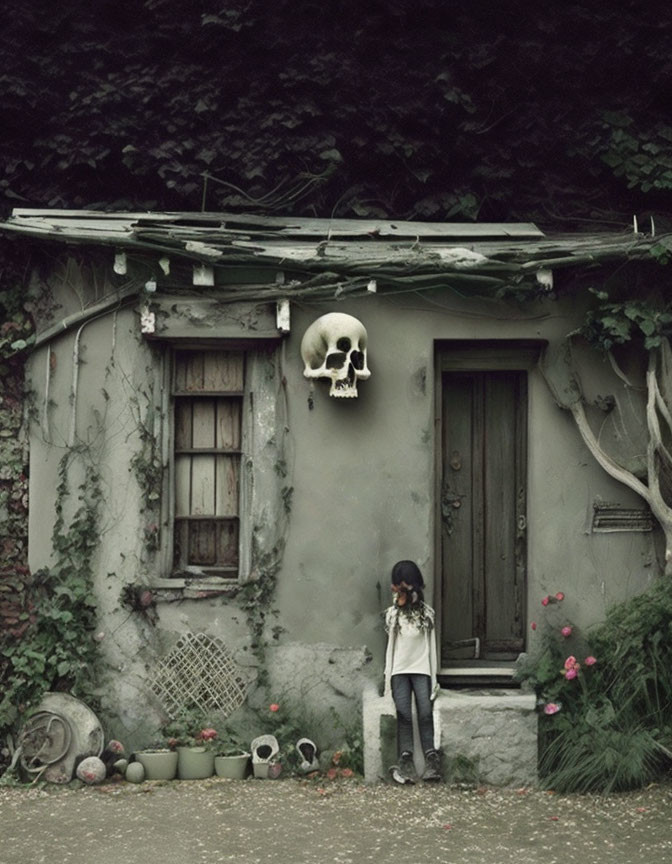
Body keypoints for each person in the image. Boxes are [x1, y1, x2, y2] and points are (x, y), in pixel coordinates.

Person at [383, 559, 441, 784]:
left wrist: (433, 677)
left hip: (421, 670)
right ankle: (405, 760)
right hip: (399, 671)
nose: (394, 588)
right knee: (404, 714)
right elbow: (391, 646)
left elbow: (431, 648)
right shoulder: (393, 614)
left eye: (398, 584)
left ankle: (432, 760)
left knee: (425, 712)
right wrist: (388, 678)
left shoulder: (426, 615)